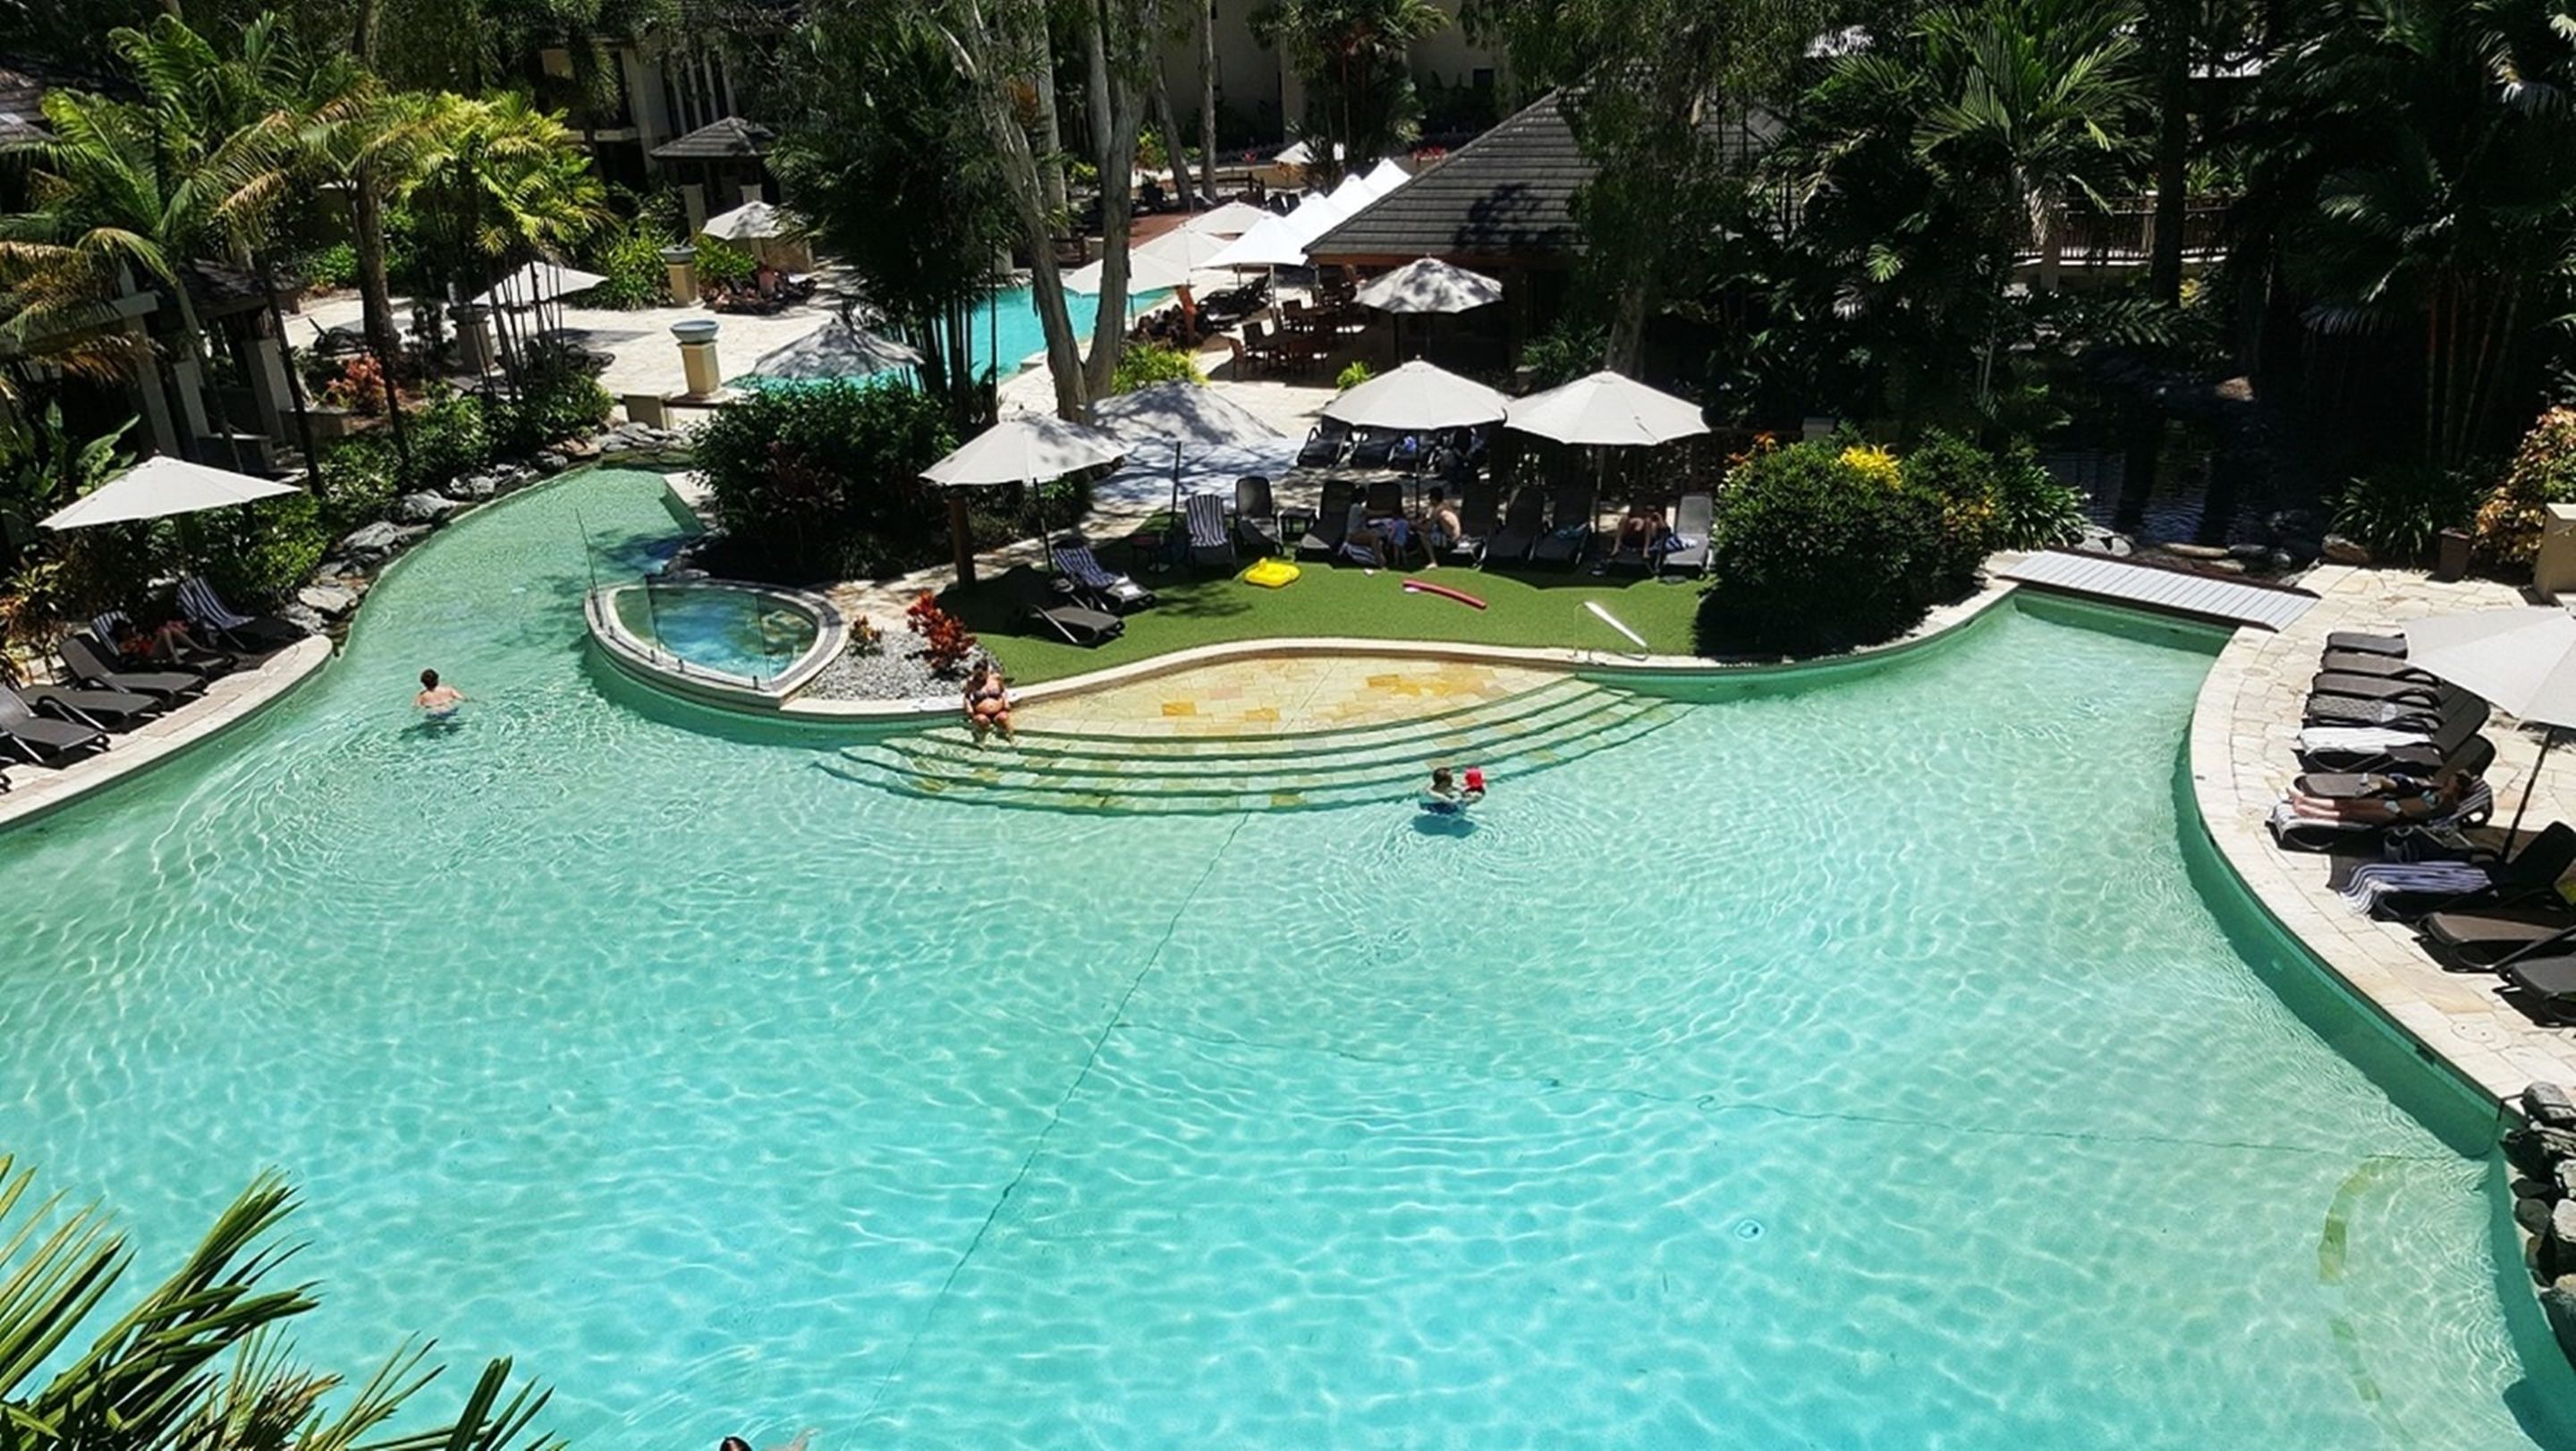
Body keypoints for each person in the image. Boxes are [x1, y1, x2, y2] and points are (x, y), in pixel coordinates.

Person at [2287, 773, 2476, 824]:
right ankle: (2307, 800)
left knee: (2350, 814)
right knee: (2349, 803)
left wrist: (2446, 795)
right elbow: (2414, 791)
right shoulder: (2437, 789)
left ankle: (2311, 813)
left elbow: (2430, 814)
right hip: (2394, 804)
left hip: (2398, 815)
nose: (2450, 777)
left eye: (2454, 778)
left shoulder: (2450, 804)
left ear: (2458, 786)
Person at [963, 660, 1014, 744]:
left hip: (998, 711)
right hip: (981, 713)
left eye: (981, 674)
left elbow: (1003, 691)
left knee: (1004, 718)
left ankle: (1011, 739)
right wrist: (968, 707)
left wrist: (1006, 702)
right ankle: (979, 741)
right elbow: (967, 696)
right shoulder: (972, 683)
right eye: (977, 674)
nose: (979, 676)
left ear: (987, 671)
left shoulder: (996, 678)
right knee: (981, 720)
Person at [1419, 488, 1462, 567]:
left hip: (1450, 540)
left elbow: (1427, 528)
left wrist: (1414, 525)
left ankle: (1433, 561)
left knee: (1423, 536)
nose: (1429, 501)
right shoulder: (1446, 506)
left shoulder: (1438, 510)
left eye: (1430, 499)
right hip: (1456, 537)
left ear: (1433, 499)